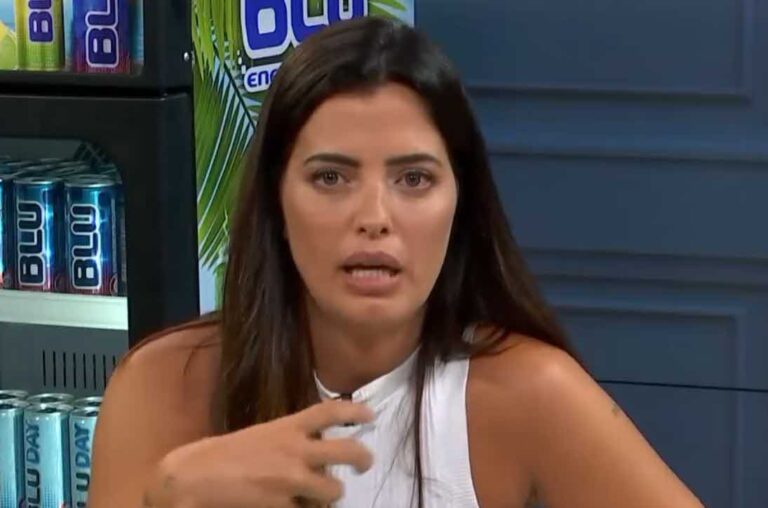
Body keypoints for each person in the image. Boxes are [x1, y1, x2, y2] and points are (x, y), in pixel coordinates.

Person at [89, 16, 703, 508]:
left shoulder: (529, 391)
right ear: (275, 201)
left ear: (460, 202)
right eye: (331, 177)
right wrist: (163, 499)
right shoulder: (164, 383)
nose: (374, 217)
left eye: (414, 178)